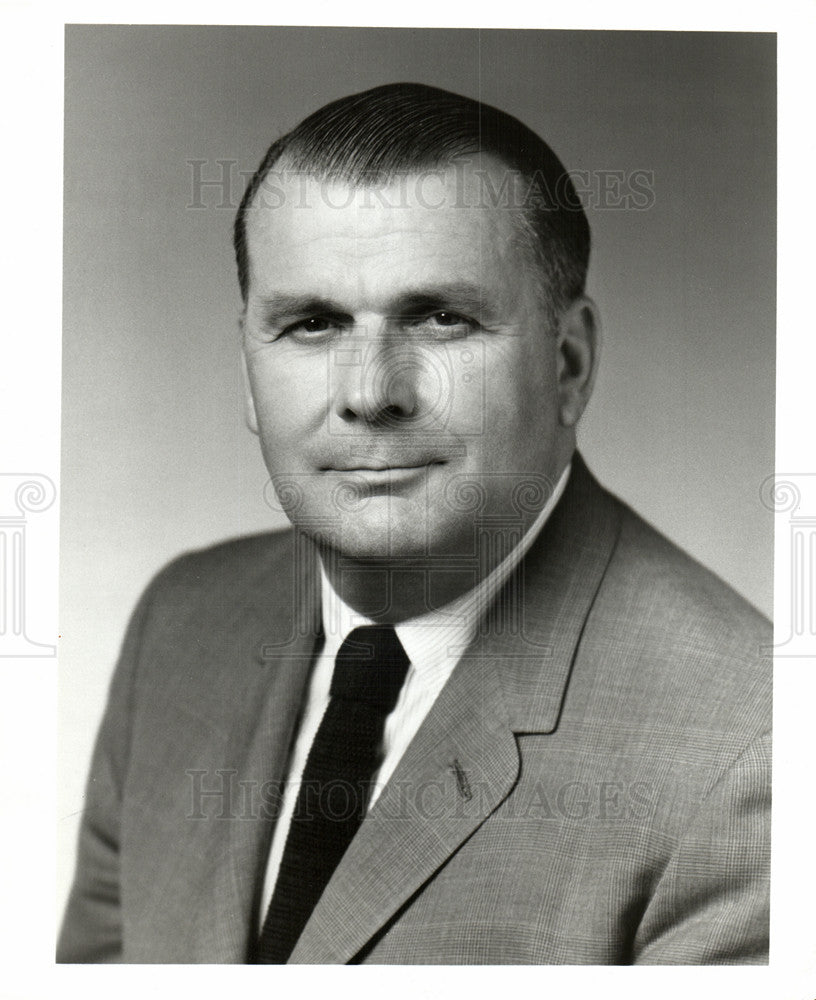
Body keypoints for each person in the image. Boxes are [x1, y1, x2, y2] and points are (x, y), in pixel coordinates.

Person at [57, 82, 771, 965]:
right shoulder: (181, 624)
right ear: (248, 372)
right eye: (311, 324)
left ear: (569, 363)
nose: (369, 394)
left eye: (442, 318)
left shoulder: (753, 753)